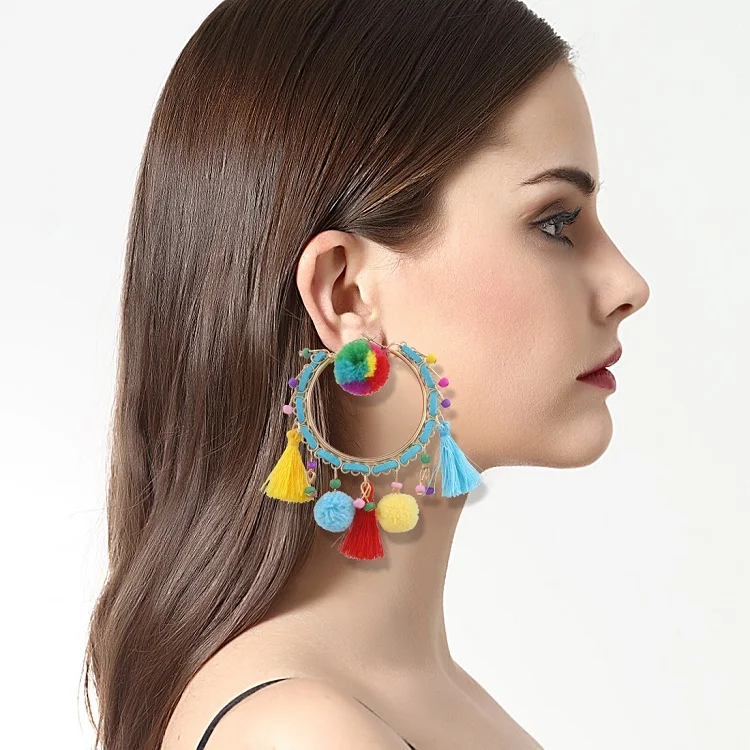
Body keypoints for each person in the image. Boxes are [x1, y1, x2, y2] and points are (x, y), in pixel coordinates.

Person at [82, 0, 650, 748]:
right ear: (345, 294)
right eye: (555, 222)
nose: (627, 284)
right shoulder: (301, 733)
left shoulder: (419, 699)